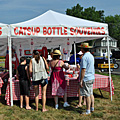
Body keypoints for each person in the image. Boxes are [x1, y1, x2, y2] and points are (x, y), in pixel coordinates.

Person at [79, 43, 95, 115]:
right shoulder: (91, 56)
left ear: (82, 49)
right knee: (91, 93)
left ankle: (88, 110)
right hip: (91, 76)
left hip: (86, 77)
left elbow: (83, 69)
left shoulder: (84, 57)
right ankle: (92, 107)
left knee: (87, 95)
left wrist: (81, 80)